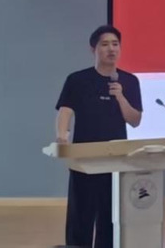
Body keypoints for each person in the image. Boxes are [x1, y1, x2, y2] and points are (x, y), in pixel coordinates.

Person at [56, 25, 142, 248]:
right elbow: (65, 110)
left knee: (110, 217)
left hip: (116, 160)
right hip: (84, 160)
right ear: (93, 49)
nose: (111, 49)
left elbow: (135, 120)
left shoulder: (129, 81)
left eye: (115, 44)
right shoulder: (77, 80)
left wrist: (120, 97)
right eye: (105, 44)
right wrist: (62, 136)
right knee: (80, 217)